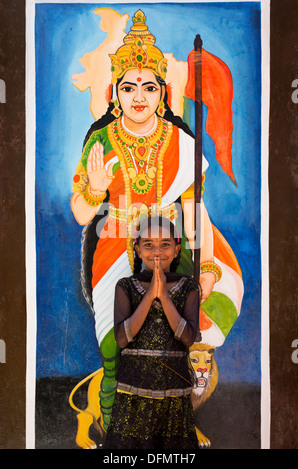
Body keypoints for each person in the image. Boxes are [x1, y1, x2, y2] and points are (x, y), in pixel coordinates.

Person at [70, 9, 217, 435]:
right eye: (129, 87)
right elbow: (81, 213)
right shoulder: (101, 138)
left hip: (167, 253)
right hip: (114, 246)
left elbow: (194, 212)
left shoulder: (179, 141)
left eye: (149, 87)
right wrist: (96, 187)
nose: (139, 97)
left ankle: (167, 433)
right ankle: (118, 436)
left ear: (162, 92)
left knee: (168, 346)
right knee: (113, 346)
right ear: (116, 91)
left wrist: (205, 267)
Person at [103, 215, 200, 449]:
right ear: (137, 249)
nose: (157, 251)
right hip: (132, 395)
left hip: (173, 395)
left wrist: (164, 296)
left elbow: (187, 337)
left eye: (165, 244)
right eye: (148, 245)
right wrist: (150, 296)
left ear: (176, 250)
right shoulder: (125, 286)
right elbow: (123, 339)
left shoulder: (189, 287)